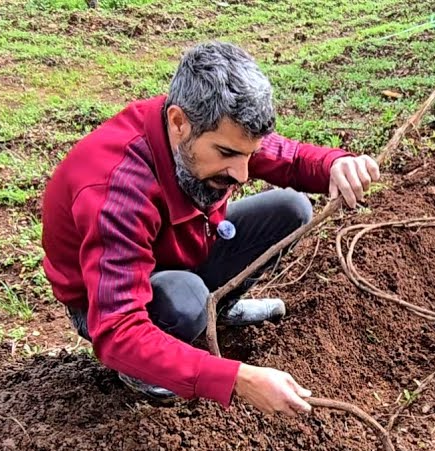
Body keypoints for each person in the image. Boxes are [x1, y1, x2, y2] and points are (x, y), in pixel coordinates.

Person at [41, 42, 379, 415]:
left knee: (290, 209)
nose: (243, 174)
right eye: (228, 154)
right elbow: (117, 328)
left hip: (180, 251)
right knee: (185, 297)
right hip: (104, 301)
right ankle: (142, 368)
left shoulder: (210, 127)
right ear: (178, 123)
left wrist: (335, 164)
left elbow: (290, 157)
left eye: (249, 154)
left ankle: (217, 309)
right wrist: (236, 378)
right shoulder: (116, 189)